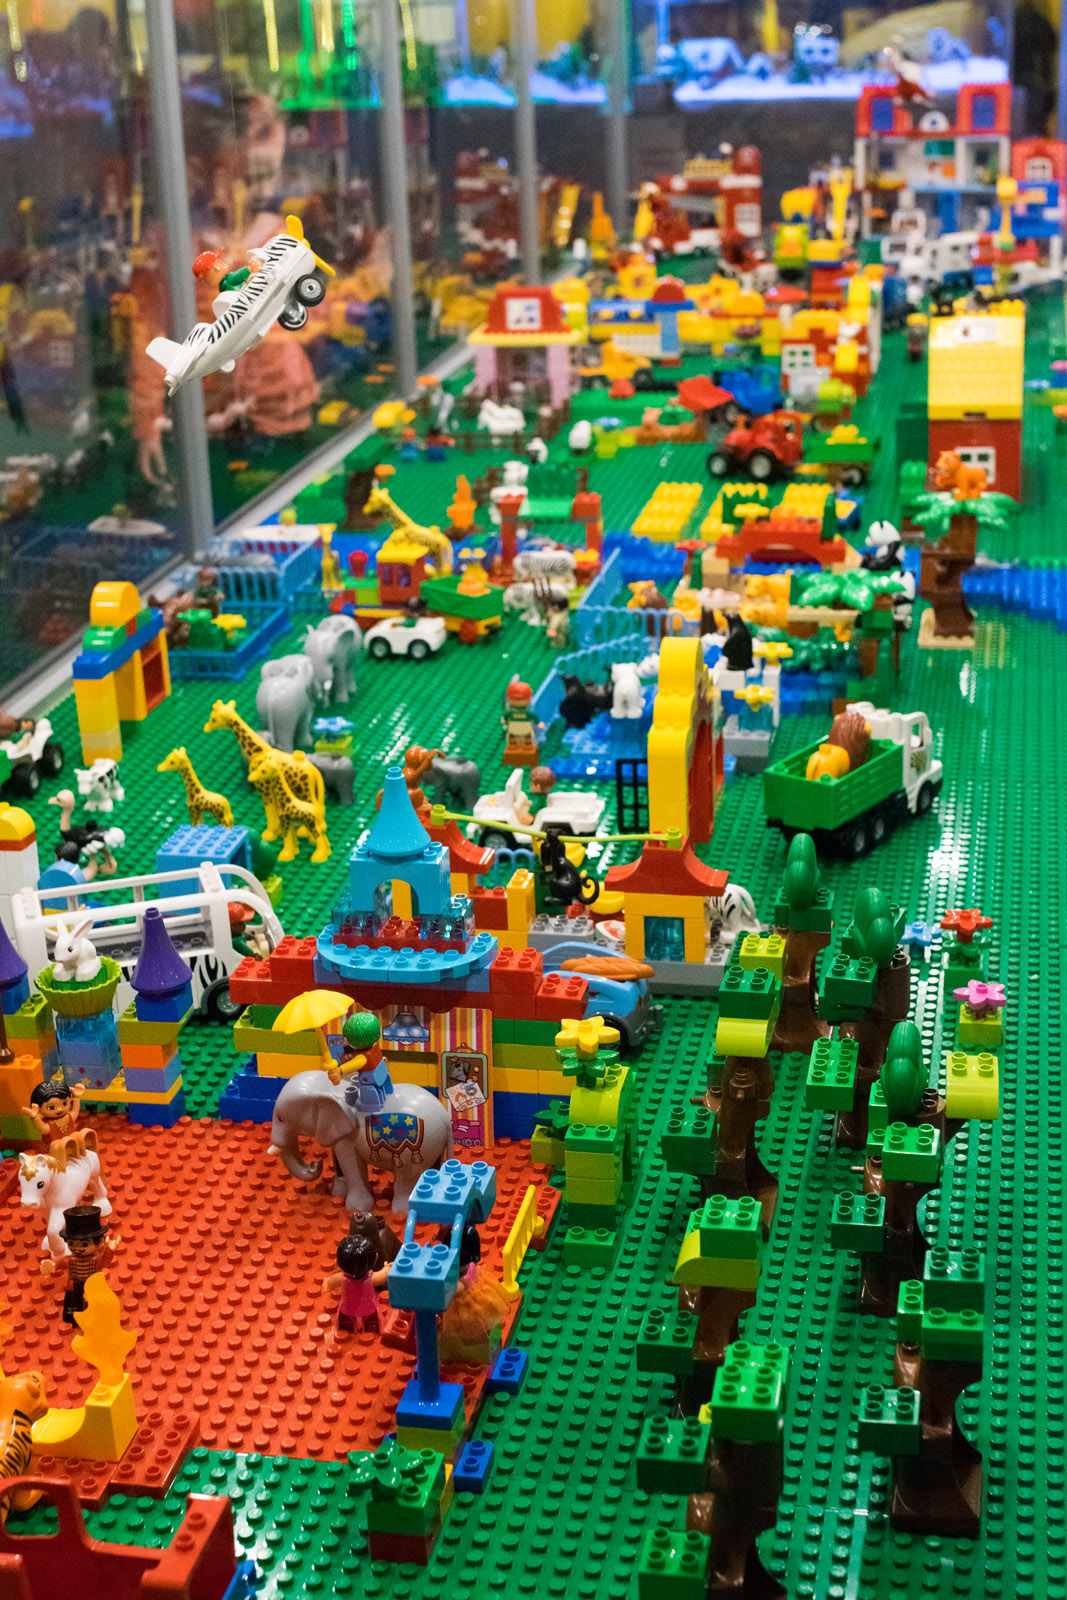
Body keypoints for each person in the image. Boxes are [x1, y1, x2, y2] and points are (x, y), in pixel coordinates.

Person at [45, 1205, 112, 1325]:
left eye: (84, 1244)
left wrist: (109, 1250)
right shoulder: (71, 1259)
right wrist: (51, 1265)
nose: (77, 1248)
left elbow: (105, 1261)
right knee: (72, 1298)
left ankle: (97, 1313)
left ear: (100, 1242)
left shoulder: (95, 1259)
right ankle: (72, 1312)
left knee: (96, 1301)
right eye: (72, 1244)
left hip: (93, 1283)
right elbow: (60, 1262)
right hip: (74, 1283)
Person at [322, 1235, 387, 1333]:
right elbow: (382, 1276)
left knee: (345, 1323)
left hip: (347, 1308)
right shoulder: (370, 1279)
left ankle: (347, 1330)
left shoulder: (342, 1278)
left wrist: (328, 1284)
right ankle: (371, 1329)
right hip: (368, 1308)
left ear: (339, 1263)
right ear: (374, 1259)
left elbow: (331, 1283)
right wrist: (388, 1267)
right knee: (372, 1321)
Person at [23, 1077, 85, 1145]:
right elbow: (42, 1129)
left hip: (72, 1145)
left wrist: (76, 1097)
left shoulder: (68, 1117)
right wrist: (35, 1118)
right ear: (38, 1107)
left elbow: (75, 1112)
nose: (59, 1109)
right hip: (54, 1147)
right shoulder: (51, 1123)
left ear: (70, 1099)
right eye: (52, 1107)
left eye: (64, 1103)